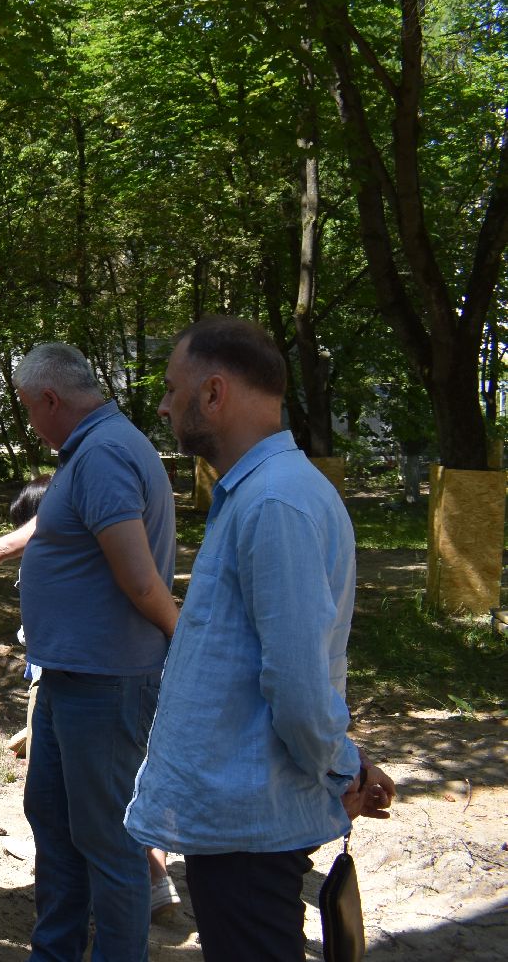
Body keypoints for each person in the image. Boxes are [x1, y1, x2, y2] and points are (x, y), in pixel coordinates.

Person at [125, 316, 395, 960]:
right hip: (242, 811)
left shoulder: (275, 501)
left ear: (214, 394)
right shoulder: (262, 493)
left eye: (172, 387)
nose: (163, 404)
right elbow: (282, 662)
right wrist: (347, 759)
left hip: (249, 818)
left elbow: (298, 684)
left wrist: (340, 769)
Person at [0, 343, 177, 962]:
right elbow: (69, 514)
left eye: (31, 410)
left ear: (51, 400)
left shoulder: (104, 455)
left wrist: (181, 635)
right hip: (69, 679)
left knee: (107, 842)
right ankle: (54, 952)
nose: (32, 422)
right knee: (54, 823)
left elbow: (140, 581)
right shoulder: (90, 451)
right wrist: (8, 544)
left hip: (105, 682)